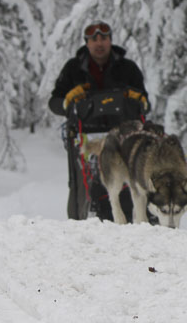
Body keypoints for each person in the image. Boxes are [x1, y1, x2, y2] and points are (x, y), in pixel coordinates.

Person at [48, 21, 149, 221]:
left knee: (127, 184)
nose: (99, 43)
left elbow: (145, 105)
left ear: (110, 40)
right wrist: (68, 101)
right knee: (85, 186)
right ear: (87, 43)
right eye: (94, 39)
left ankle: (132, 221)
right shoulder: (73, 69)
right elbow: (54, 102)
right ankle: (82, 221)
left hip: (123, 139)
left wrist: (136, 98)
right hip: (84, 137)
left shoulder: (127, 68)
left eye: (103, 38)